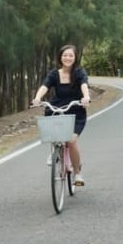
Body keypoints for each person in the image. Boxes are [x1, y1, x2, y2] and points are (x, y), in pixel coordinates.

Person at [31, 44, 91, 186]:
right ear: (60, 57)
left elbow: (84, 85)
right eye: (65, 55)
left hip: (76, 109)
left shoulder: (79, 72)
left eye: (70, 55)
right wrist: (37, 98)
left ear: (75, 58)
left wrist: (86, 97)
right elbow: (45, 86)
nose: (67, 58)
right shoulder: (54, 74)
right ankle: (55, 150)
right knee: (53, 132)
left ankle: (77, 173)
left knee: (71, 141)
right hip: (57, 108)